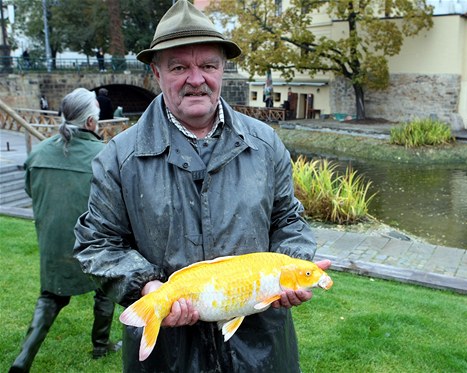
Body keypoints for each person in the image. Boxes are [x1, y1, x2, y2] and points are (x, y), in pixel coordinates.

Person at [73, 1, 330, 372]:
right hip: (167, 355)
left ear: (222, 68)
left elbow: (288, 219)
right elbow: (96, 243)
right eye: (179, 67)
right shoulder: (119, 157)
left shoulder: (264, 143)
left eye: (208, 65)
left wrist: (290, 269)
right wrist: (147, 290)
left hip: (261, 352)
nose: (197, 79)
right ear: (156, 73)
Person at [10, 88, 120, 373]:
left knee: (49, 296)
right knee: (105, 288)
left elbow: (30, 191)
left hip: (53, 245)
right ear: (91, 123)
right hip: (92, 244)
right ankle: (100, 344)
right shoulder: (105, 155)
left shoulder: (38, 153)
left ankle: (22, 360)